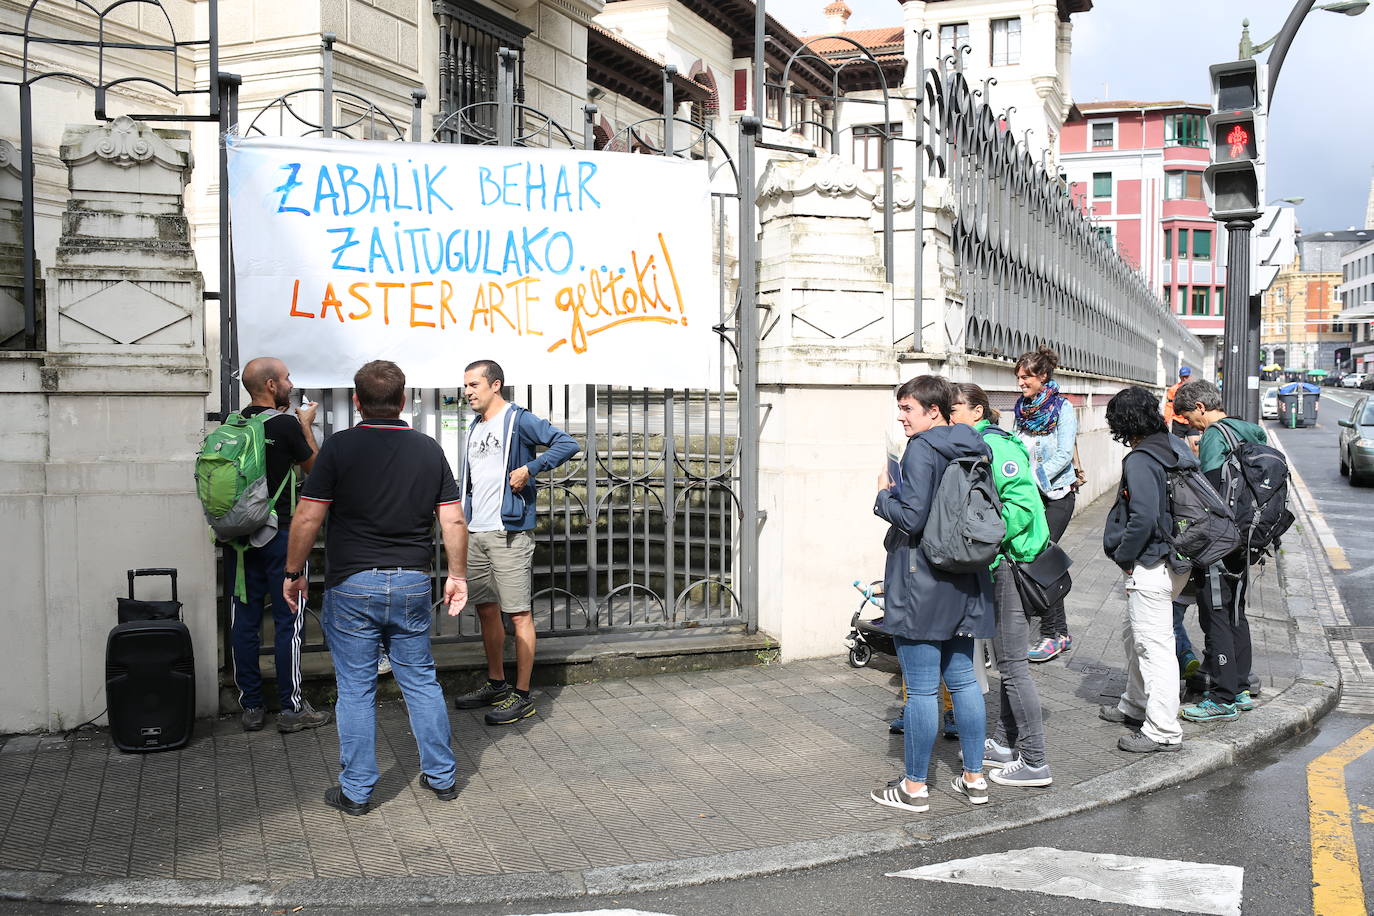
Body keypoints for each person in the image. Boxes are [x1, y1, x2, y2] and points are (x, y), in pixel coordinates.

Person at [283, 360, 470, 816]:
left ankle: (357, 790)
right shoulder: (428, 449)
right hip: (411, 581)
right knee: (420, 680)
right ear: (402, 401)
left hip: (352, 584)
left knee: (356, 689)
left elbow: (307, 517)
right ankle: (442, 777)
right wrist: (458, 575)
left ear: (357, 402)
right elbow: (453, 520)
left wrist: (292, 572)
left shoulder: (339, 448)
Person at [869, 376, 995, 813]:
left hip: (922, 579)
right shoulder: (975, 444)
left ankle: (914, 787)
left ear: (933, 411)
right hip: (965, 577)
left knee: (922, 690)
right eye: (900, 408)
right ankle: (974, 778)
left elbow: (913, 517)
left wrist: (883, 495)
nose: (901, 417)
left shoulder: (921, 449)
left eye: (908, 408)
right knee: (962, 680)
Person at [451, 360, 580, 725]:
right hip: (476, 532)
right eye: (465, 386)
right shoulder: (476, 426)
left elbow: (567, 443)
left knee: (519, 613)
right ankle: (497, 684)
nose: (467, 392)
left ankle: (522, 696)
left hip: (509, 532)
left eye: (474, 384)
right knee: (486, 610)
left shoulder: (518, 419)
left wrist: (530, 469)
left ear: (495, 385)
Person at [950, 383, 1053, 787]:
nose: (948, 417)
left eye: (954, 409)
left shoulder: (996, 447)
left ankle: (1035, 761)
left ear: (977, 411)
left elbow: (1022, 506)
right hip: (1001, 561)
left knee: (1012, 666)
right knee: (1007, 662)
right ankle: (1005, 743)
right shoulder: (978, 444)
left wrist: (982, 539)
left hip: (1010, 563)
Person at [230, 357, 330, 734]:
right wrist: (305, 426)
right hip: (280, 536)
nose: (291, 383)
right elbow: (317, 473)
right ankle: (292, 707)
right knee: (289, 619)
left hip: (239, 538)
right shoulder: (285, 425)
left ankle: (252, 706)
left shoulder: (234, 423)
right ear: (271, 385)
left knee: (244, 621)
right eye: (286, 378)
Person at [1100, 386, 1193, 753]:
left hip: (1151, 563)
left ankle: (1163, 730)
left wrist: (1125, 557)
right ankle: (1135, 704)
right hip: (1176, 560)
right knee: (1133, 635)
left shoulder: (1141, 459)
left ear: (1123, 423)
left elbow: (1143, 518)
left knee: (1154, 647)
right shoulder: (1173, 445)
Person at [1172, 378, 1265, 721]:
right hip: (1249, 536)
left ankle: (1223, 698)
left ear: (1200, 407)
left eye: (1188, 417)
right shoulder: (1250, 430)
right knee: (1237, 611)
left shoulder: (1215, 434)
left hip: (1220, 542)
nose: (1191, 426)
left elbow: (1210, 496)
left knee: (1216, 615)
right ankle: (1240, 688)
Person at [1012, 346, 1079, 662]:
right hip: (1029, 498)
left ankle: (1053, 634)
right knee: (1035, 559)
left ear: (1043, 376)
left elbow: (1064, 454)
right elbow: (1015, 446)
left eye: (1026, 377)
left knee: (1041, 559)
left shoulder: (1062, 408)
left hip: (1056, 496)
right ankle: (1059, 633)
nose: (1020, 383)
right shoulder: (1022, 408)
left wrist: (1032, 479)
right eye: (1018, 377)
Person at [1162, 366, 1195, 439]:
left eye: (1186, 377)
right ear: (1180, 377)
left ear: (1190, 376)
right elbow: (1169, 405)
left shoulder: (1195, 389)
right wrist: (1166, 419)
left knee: (1195, 444)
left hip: (1192, 420)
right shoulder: (1173, 389)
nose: (1184, 379)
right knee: (1179, 445)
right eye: (1182, 377)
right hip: (1178, 421)